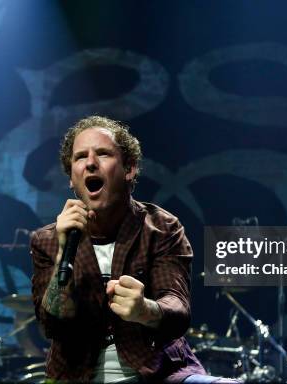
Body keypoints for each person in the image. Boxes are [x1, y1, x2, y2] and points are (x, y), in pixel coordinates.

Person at [30, 115, 218, 383]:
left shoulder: (161, 227)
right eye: (80, 157)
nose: (91, 163)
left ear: (129, 169)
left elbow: (178, 308)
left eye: (103, 154)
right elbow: (52, 324)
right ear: (72, 178)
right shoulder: (47, 240)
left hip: (160, 373)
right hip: (77, 375)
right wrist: (63, 252)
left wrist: (145, 310)